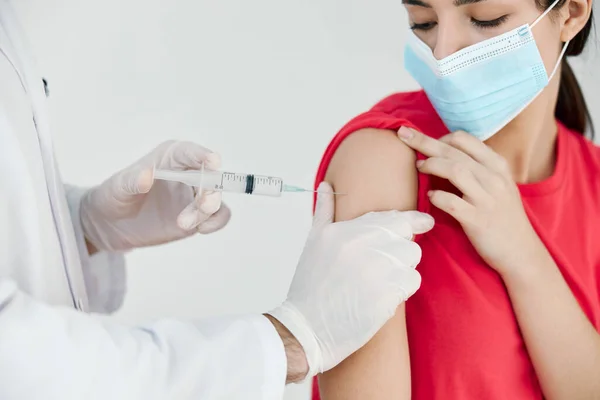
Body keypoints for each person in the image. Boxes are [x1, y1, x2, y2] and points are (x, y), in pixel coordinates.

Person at [0, 1, 436, 399]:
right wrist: (287, 340)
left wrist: (81, 227)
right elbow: (21, 365)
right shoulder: (376, 154)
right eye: (423, 22)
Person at [311, 0, 600, 399]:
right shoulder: (384, 156)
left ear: (570, 13)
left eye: (486, 19)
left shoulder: (594, 183)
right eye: (424, 22)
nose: (444, 52)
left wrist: (525, 257)